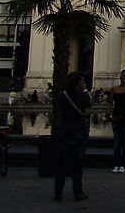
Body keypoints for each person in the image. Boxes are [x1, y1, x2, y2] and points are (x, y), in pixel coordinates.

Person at [55, 72, 92, 201]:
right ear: (78, 83)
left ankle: (58, 192)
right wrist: (85, 89)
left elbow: (59, 109)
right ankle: (78, 191)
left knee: (61, 164)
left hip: (64, 129)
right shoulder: (82, 96)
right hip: (78, 131)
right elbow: (90, 105)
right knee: (77, 164)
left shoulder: (61, 96)